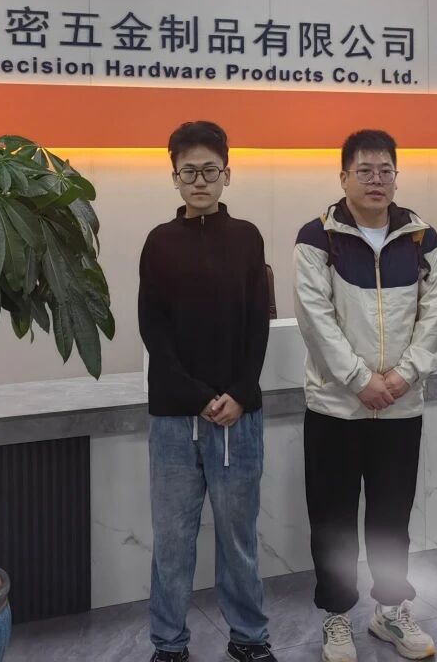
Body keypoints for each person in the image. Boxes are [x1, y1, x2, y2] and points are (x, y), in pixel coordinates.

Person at [294, 129, 437, 662]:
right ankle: (337, 617)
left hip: (401, 408)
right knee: (332, 520)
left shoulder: (421, 238)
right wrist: (360, 380)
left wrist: (404, 377)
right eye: (364, 170)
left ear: (396, 177)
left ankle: (390, 611)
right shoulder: (317, 237)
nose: (376, 180)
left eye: (385, 170)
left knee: (391, 518)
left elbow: (434, 317)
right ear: (344, 177)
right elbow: (315, 319)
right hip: (335, 408)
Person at [139, 121, 275, 662]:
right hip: (175, 419)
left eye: (209, 170)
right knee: (172, 541)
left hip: (239, 417)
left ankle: (249, 638)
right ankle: (169, 643)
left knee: (239, 539)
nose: (200, 180)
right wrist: (198, 396)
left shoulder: (247, 237)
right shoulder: (159, 242)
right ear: (174, 177)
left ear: (227, 174)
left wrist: (239, 393)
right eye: (189, 171)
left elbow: (258, 325)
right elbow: (154, 330)